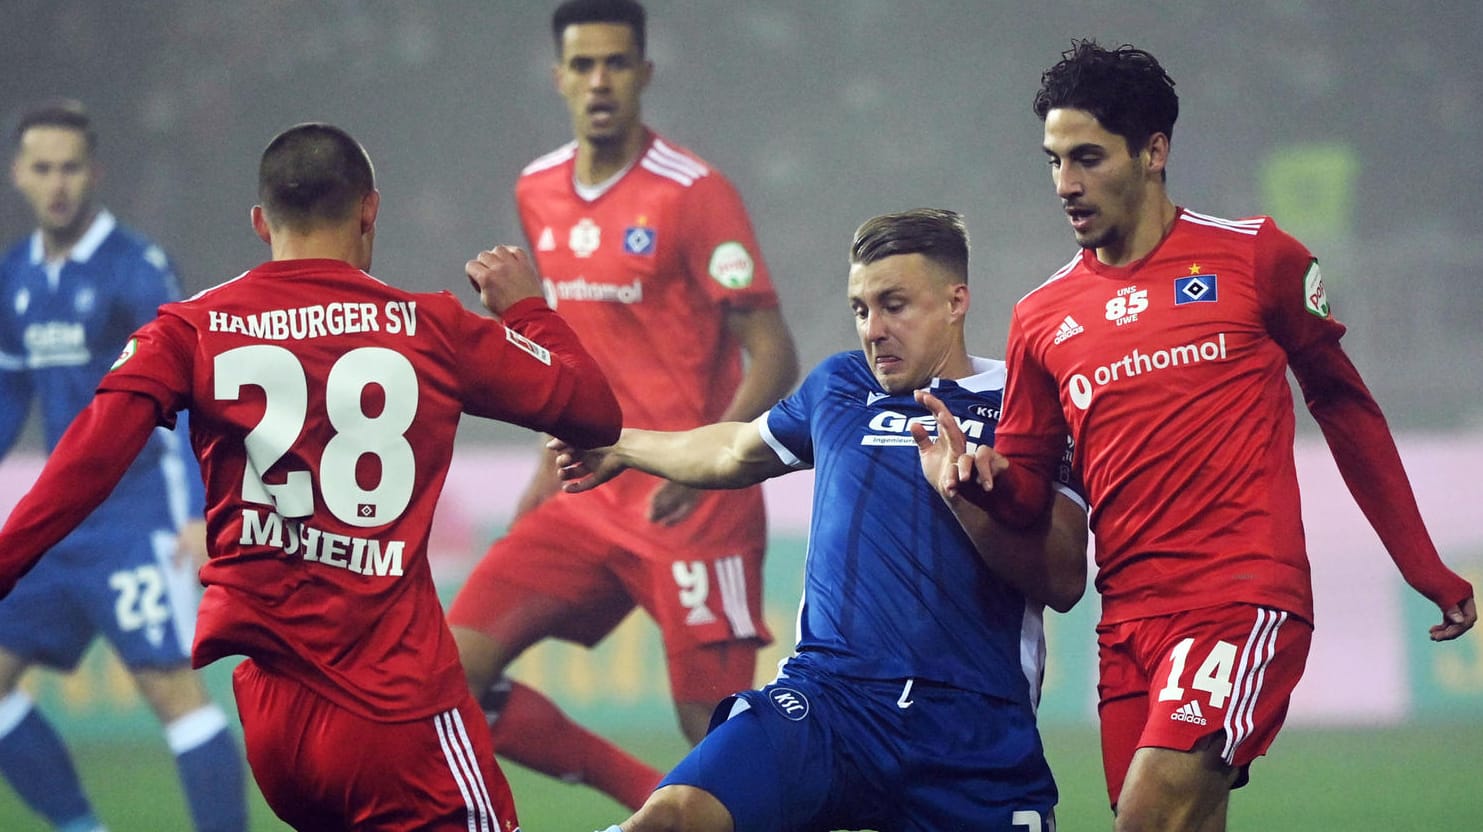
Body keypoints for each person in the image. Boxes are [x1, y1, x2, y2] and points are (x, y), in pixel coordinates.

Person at [0, 121, 624, 831]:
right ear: (370, 210)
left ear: (262, 223)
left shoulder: (191, 329)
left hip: (276, 733)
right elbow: (594, 412)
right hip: (398, 715)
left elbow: (84, 460)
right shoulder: (430, 328)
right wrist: (526, 309)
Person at [972, 40, 1478, 832]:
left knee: (1145, 819)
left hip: (1239, 600)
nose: (1064, 184)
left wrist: (1420, 564)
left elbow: (1343, 408)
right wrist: (981, 482)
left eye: (1086, 158)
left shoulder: (1255, 257)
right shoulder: (1041, 316)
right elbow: (1030, 490)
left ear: (1153, 152)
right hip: (1126, 623)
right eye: (1053, 160)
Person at [558, 208, 1089, 832]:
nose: (874, 330)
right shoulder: (839, 386)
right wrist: (622, 445)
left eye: (894, 305)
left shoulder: (1027, 405)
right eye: (861, 309)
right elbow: (734, 450)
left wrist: (964, 495)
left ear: (956, 300)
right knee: (672, 817)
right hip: (830, 699)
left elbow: (1064, 580)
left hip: (970, 727)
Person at [445, 0, 799, 810]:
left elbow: (773, 350)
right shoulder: (537, 189)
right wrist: (545, 453)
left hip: (691, 504)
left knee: (718, 741)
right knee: (442, 675)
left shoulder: (693, 194)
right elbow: (567, 342)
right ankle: (641, 796)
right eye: (583, 65)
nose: (599, 81)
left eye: (614, 64)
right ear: (559, 77)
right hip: (588, 493)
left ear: (643, 74)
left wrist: (713, 461)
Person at [0, 100, 247, 832]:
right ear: (18, 174)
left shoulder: (137, 269)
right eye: (42, 169)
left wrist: (203, 512)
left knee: (168, 690)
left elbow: (199, 392)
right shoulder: (15, 276)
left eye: (70, 168)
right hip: (59, 524)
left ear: (94, 173)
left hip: (139, 517)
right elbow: (11, 400)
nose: (57, 185)